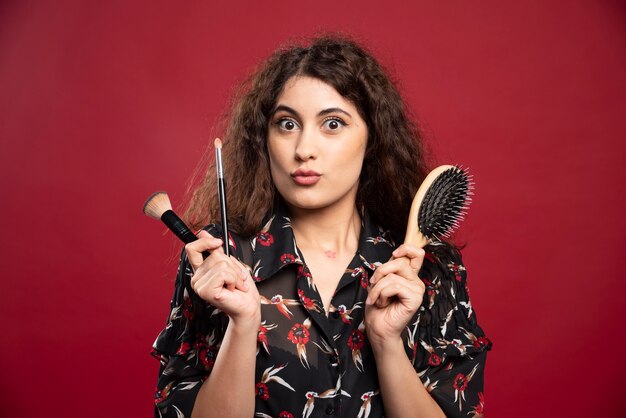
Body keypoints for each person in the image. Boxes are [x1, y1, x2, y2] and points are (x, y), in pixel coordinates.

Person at [151, 35, 491, 418]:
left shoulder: (429, 269)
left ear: (373, 139)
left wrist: (387, 343)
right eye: (286, 124)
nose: (303, 149)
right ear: (264, 139)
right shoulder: (218, 259)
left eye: (332, 123)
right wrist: (242, 325)